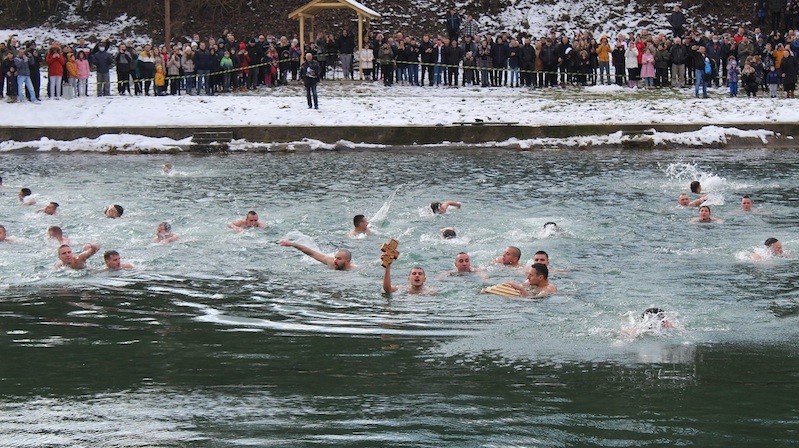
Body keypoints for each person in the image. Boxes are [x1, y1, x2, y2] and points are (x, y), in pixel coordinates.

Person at [279, 239, 352, 270]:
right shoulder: (331, 262)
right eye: (335, 257)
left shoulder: (354, 270)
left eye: (339, 259)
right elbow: (312, 253)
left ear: (347, 261)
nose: (335, 260)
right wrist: (292, 244)